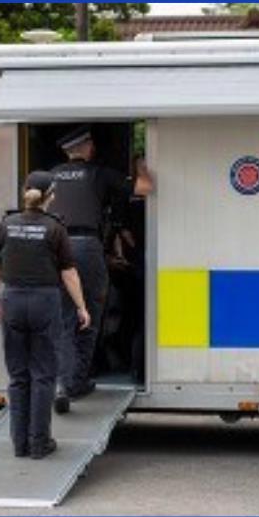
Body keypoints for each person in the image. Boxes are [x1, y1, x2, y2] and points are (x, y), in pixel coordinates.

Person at [48, 125, 154, 413]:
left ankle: (58, 382)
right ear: (87, 147)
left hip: (52, 246)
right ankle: (76, 382)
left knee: (63, 317)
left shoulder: (51, 175)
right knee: (88, 315)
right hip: (85, 246)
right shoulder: (99, 173)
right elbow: (146, 188)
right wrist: (140, 163)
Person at [0, 171, 91, 459]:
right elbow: (68, 273)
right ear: (51, 196)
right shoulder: (55, 229)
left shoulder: (6, 224)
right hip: (45, 302)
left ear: (26, 191)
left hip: (13, 301)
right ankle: (39, 443)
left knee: (18, 377)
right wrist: (82, 307)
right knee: (44, 376)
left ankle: (19, 444)